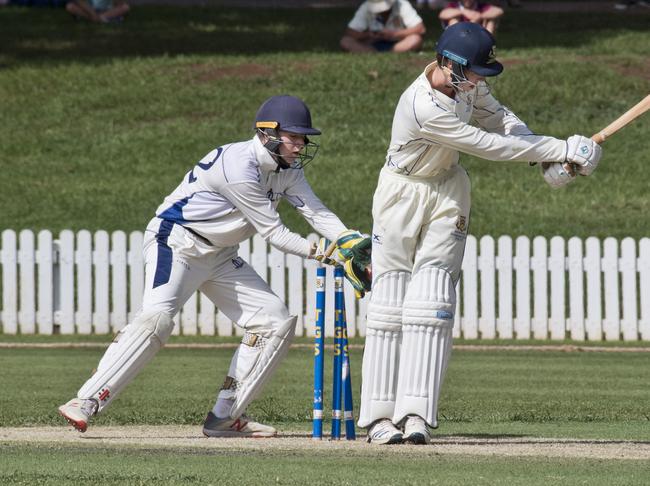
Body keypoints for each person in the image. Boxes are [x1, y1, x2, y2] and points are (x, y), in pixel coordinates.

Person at [58, 95, 369, 438]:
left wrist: (351, 239)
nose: (300, 145)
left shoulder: (288, 169)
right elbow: (274, 233)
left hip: (221, 254)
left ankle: (225, 416)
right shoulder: (238, 167)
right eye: (293, 136)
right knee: (156, 320)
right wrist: (331, 254)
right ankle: (85, 401)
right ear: (266, 133)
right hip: (177, 242)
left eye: (303, 138)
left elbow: (315, 211)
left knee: (274, 322)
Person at [358, 22, 602, 445]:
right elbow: (485, 145)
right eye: (473, 72)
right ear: (449, 64)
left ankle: (415, 413)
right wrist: (558, 148)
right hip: (401, 191)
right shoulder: (421, 105)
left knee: (432, 303)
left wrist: (543, 160)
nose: (477, 82)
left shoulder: (468, 85)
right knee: (390, 303)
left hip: (449, 187)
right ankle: (379, 418)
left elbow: (501, 121)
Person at [340, 0, 426, 54]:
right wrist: (368, 35)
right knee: (345, 41)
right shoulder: (366, 6)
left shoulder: (402, 4)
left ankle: (388, 53)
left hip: (398, 43)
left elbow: (420, 28)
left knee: (415, 39)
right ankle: (374, 53)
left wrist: (395, 34)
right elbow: (350, 32)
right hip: (372, 44)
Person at [439, 0, 503, 35]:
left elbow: (499, 11)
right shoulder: (454, 5)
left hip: (478, 38)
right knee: (453, 20)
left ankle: (488, 46)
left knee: (491, 21)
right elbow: (442, 14)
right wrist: (464, 12)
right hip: (458, 38)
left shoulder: (481, 7)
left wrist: (480, 16)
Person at [65, 0, 130, 23]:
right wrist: (92, 13)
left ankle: (97, 19)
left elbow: (120, 3)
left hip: (106, 11)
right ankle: (99, 19)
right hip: (89, 9)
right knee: (70, 6)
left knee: (125, 7)